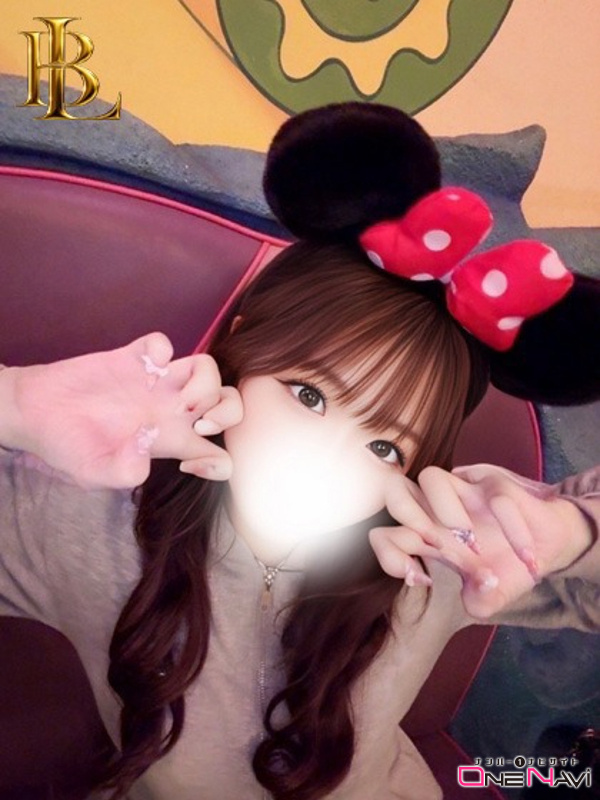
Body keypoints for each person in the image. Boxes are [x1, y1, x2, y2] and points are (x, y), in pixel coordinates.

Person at [1, 102, 599, 800]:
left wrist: (572, 534)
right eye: (309, 396)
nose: (331, 460)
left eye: (385, 445)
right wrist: (13, 404)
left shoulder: (438, 552)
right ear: (241, 352)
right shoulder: (89, 519)